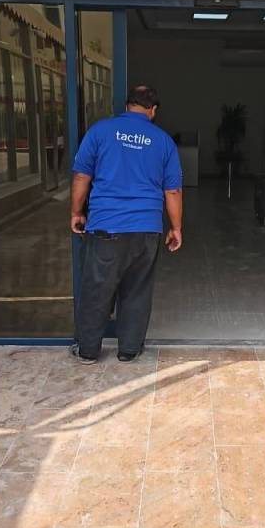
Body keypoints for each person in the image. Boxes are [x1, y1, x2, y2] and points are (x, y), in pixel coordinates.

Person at [70, 85, 183, 364]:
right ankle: (129, 350)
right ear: (153, 110)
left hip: (105, 226)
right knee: (137, 289)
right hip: (146, 228)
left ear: (126, 105)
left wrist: (76, 212)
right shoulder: (163, 141)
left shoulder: (100, 131)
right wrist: (176, 228)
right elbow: (172, 191)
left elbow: (81, 176)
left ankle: (88, 350)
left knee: (97, 288)